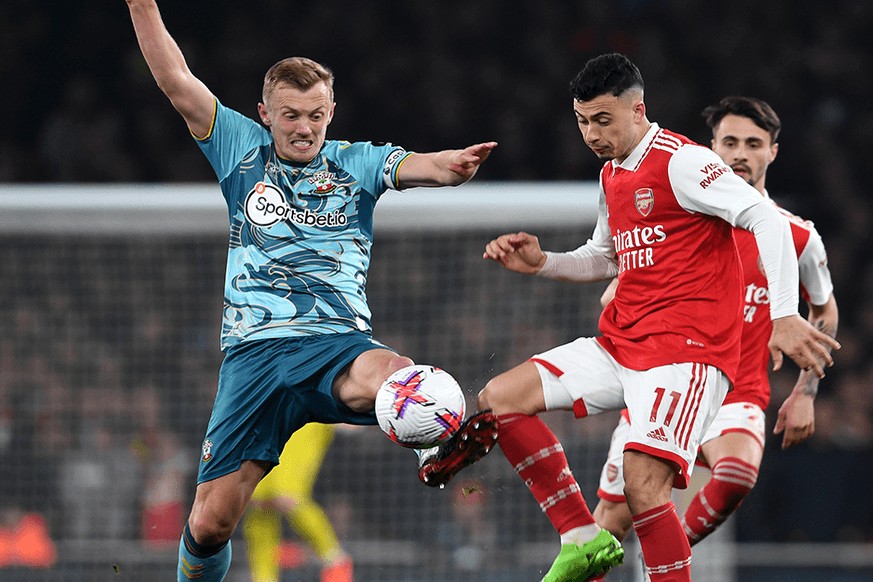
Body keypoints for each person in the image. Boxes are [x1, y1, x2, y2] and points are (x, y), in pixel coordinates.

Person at [425, 53, 839, 582]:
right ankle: (581, 538)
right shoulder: (612, 173)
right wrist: (543, 262)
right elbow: (605, 257)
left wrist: (782, 315)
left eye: (603, 120)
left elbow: (766, 220)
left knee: (645, 482)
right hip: (622, 346)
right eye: (582, 121)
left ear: (638, 110)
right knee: (500, 397)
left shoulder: (682, 162)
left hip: (684, 356)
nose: (591, 134)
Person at [123, 2, 499, 580]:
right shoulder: (239, 149)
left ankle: (436, 443)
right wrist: (140, 4)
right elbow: (176, 81)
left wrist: (450, 167)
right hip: (253, 358)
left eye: (316, 116)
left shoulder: (358, 163)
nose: (304, 128)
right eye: (291, 115)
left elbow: (424, 167)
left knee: (402, 376)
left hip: (335, 345)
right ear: (265, 114)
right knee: (211, 523)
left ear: (331, 113)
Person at [590, 97, 840, 576]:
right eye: (730, 142)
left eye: (753, 144)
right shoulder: (679, 222)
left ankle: (664, 559)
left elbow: (824, 309)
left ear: (773, 152)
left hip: (736, 393)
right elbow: (618, 290)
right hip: (665, 385)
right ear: (712, 148)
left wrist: (806, 391)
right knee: (609, 525)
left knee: (736, 474)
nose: (740, 153)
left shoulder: (797, 237)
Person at [243, 423, 352, 582]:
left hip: (306, 421)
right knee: (259, 501)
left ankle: (335, 558)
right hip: (270, 422)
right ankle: (263, 577)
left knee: (286, 495)